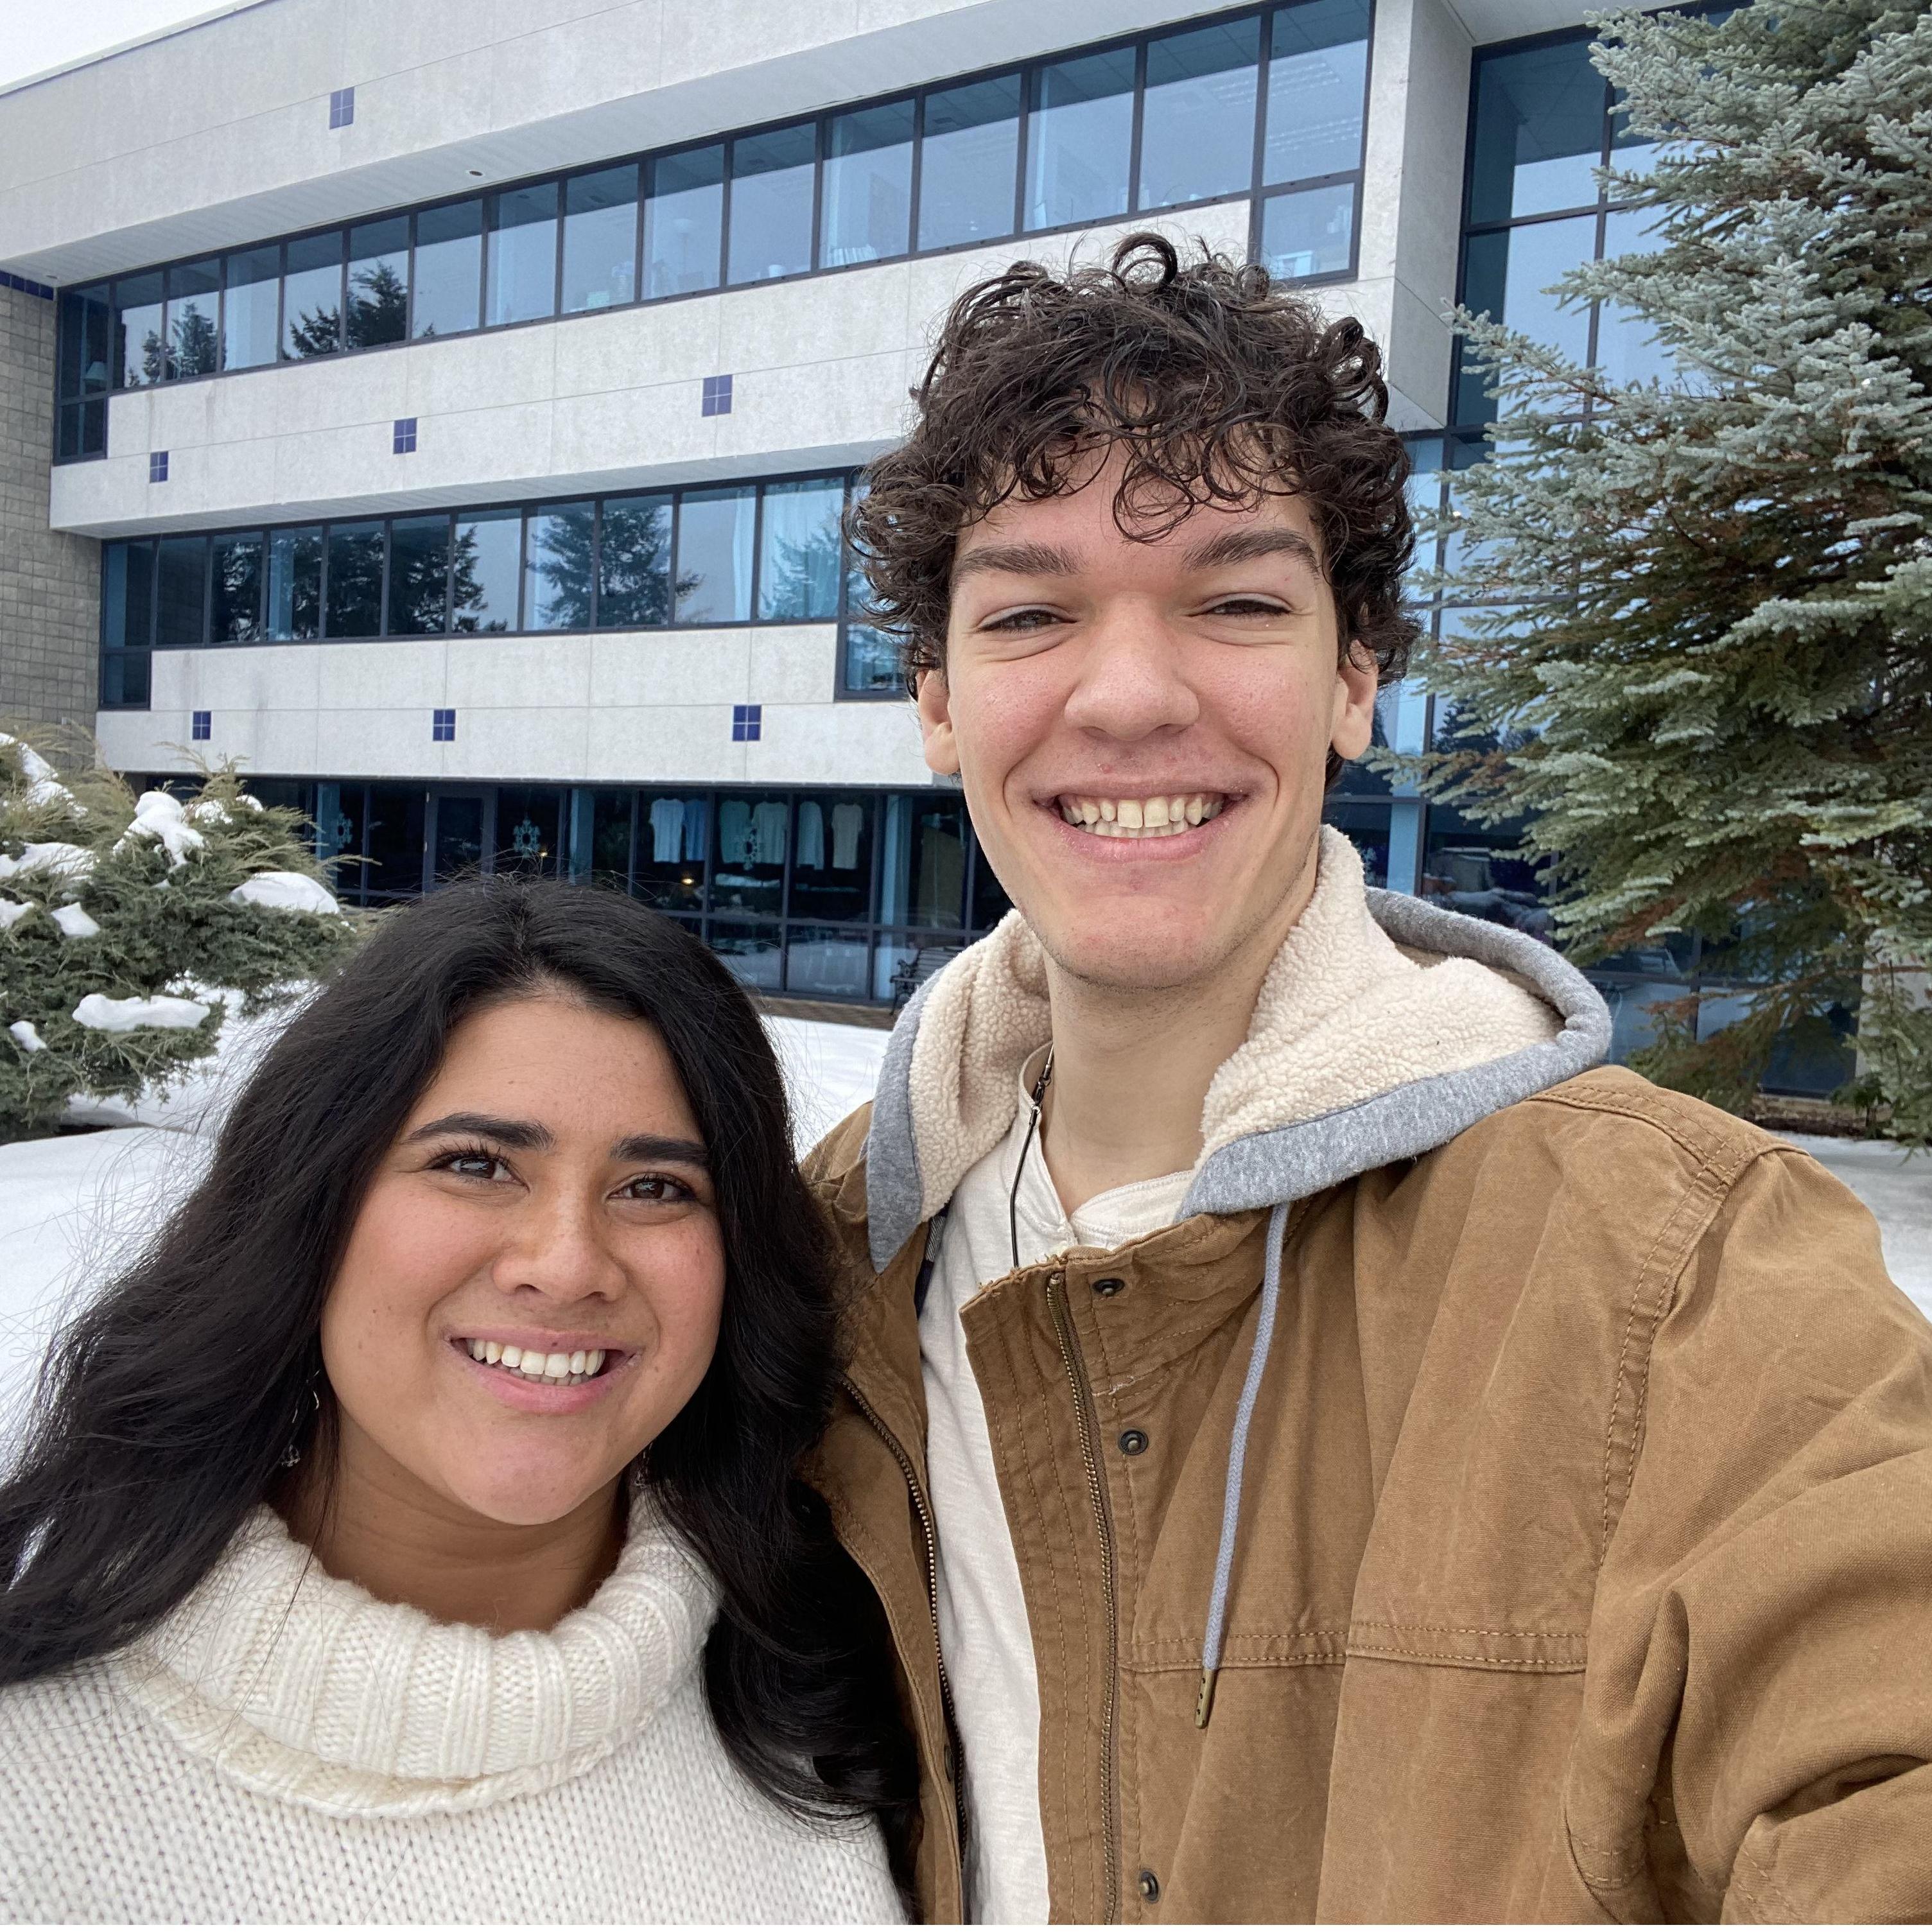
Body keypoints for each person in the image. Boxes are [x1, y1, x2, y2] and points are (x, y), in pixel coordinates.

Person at [801, 234, 1932, 1922]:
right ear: (939, 706)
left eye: (1237, 601)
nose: (1126, 694)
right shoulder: (815, 1265)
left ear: (1352, 681)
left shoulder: (1678, 1266)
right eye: (1032, 611)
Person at [0, 877, 912, 1922]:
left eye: (656, 1186)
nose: (567, 1267)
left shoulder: (832, 1703)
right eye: (476, 1163)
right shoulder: (31, 1777)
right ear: (310, 1209)